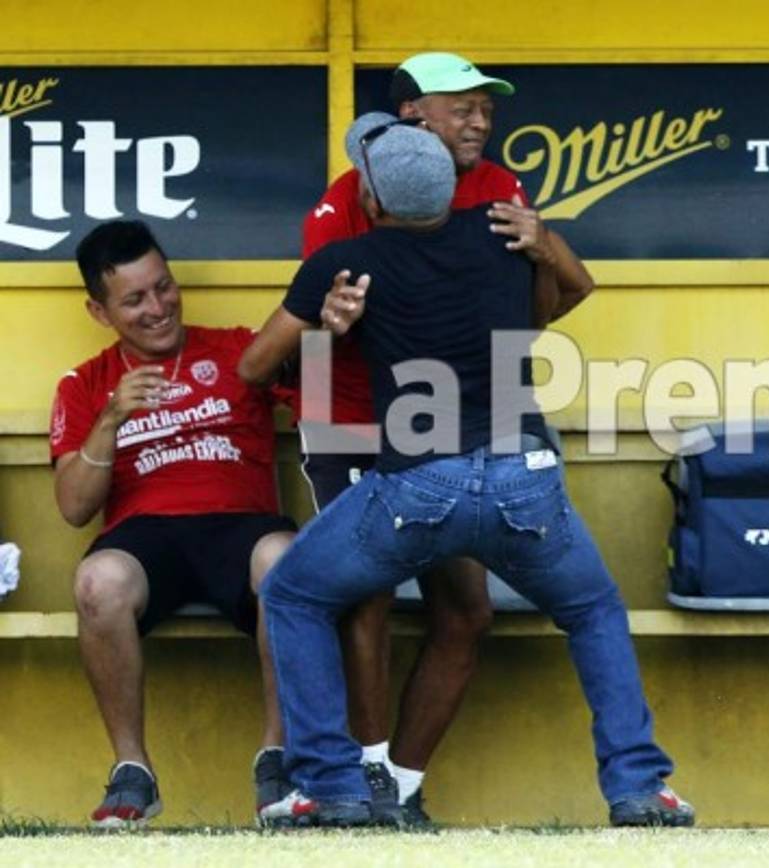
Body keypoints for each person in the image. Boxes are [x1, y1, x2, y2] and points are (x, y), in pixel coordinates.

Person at [239, 114, 692, 829]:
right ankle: (640, 786)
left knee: (292, 593)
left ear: (375, 204)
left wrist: (327, 325)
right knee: (594, 609)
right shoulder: (503, 232)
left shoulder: (346, 260)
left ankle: (330, 786)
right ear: (450, 188)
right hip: (525, 477)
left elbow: (255, 367)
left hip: (418, 487)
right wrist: (542, 249)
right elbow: (570, 292)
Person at [297, 50, 593, 825]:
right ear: (411, 119)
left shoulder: (499, 189)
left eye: (485, 107)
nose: (480, 119)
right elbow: (325, 333)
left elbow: (540, 310)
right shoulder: (341, 206)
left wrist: (544, 244)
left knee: (466, 611)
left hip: (459, 426)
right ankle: (360, 781)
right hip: (355, 414)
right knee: (360, 597)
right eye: (460, 106)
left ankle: (400, 784)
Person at [51, 221, 298, 827]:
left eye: (164, 287)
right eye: (134, 299)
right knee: (96, 584)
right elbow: (74, 507)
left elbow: (333, 391)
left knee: (288, 563)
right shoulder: (86, 384)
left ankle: (280, 761)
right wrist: (110, 420)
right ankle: (132, 770)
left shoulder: (241, 351)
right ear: (99, 311)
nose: (158, 308)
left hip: (242, 527)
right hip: (146, 539)